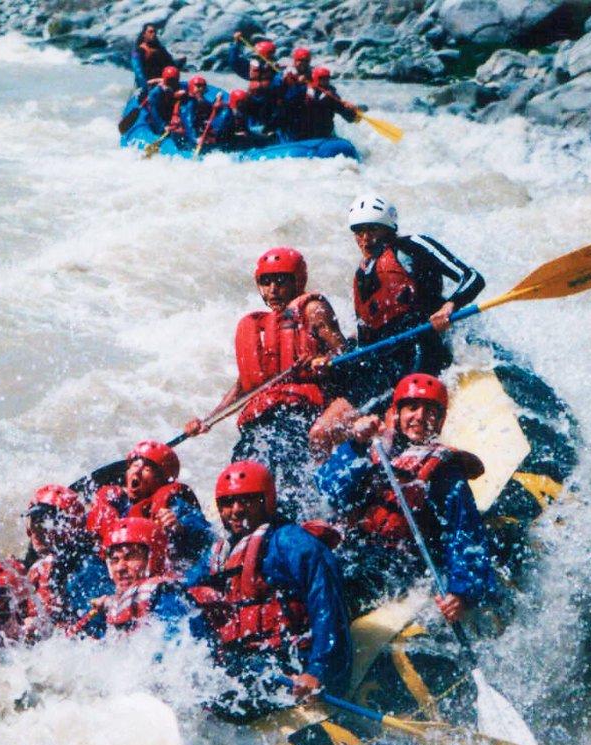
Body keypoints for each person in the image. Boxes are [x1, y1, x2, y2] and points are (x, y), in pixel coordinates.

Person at [183, 247, 349, 516]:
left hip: (297, 416)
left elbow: (346, 354)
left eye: (281, 281)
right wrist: (208, 420)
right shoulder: (259, 327)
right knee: (243, 486)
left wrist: (324, 360)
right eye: (266, 282)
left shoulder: (313, 310)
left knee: (286, 491)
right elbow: (244, 386)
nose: (273, 290)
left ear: (298, 281)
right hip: (258, 425)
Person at [316, 373, 496, 620]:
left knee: (334, 596)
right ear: (396, 413)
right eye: (412, 408)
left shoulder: (445, 473)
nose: (420, 417)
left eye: (430, 411)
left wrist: (462, 592)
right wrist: (355, 444)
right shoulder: (374, 449)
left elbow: (463, 531)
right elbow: (331, 491)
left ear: (440, 421)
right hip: (354, 548)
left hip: (397, 565)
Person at [185, 461, 351, 719]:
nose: (236, 510)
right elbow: (182, 591)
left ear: (266, 501)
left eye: (247, 500)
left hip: (293, 659)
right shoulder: (220, 553)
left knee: (223, 697)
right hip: (249, 661)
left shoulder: (290, 542)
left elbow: (326, 606)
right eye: (228, 503)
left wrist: (317, 671)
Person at [344, 195, 486, 395]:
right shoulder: (362, 274)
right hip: (387, 362)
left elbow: (473, 278)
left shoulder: (414, 246)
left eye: (373, 229)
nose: (365, 238)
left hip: (425, 347)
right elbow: (364, 337)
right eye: (359, 232)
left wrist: (449, 306)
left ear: (389, 229)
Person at [85, 440, 215, 575]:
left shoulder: (174, 505)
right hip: (119, 570)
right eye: (134, 466)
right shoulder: (117, 502)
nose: (138, 471)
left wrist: (180, 529)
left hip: (162, 571)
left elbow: (206, 535)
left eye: (147, 469)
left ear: (162, 480)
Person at [76, 518, 208, 641]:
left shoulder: (166, 594)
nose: (120, 568)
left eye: (131, 557)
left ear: (154, 558)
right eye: (115, 560)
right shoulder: (112, 605)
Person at [23, 484, 114, 628]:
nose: (38, 530)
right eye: (35, 520)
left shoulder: (88, 569)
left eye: (46, 523)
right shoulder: (39, 565)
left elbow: (93, 626)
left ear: (68, 528)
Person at [227, 34, 280, 133]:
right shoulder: (250, 66)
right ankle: (241, 130)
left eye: (272, 54)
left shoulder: (276, 68)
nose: (272, 56)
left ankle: (270, 130)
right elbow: (234, 62)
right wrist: (236, 44)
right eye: (270, 53)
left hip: (269, 99)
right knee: (240, 100)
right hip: (253, 98)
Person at [292, 67, 358, 140]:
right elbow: (290, 100)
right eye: (322, 78)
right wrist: (297, 84)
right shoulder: (304, 90)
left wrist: (353, 112)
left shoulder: (332, 96)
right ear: (315, 79)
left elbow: (345, 113)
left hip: (323, 134)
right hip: (303, 133)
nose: (325, 81)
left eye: (327, 78)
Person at [177, 75, 233, 152]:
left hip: (199, 130)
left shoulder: (201, 100)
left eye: (203, 87)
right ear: (191, 87)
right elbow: (188, 122)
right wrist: (195, 139)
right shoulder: (189, 103)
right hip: (188, 135)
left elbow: (211, 111)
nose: (201, 89)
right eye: (198, 86)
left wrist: (217, 101)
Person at [131, 24, 179, 96]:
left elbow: (171, 65)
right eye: (150, 32)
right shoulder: (138, 51)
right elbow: (138, 71)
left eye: (155, 32)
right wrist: (145, 87)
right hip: (149, 85)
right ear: (144, 34)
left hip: (164, 83)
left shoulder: (161, 50)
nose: (153, 34)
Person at [138, 65, 184, 136]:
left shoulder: (180, 89)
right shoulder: (156, 93)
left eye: (174, 81)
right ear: (165, 80)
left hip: (169, 112)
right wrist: (164, 126)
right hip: (157, 114)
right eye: (169, 81)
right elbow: (155, 113)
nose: (172, 84)